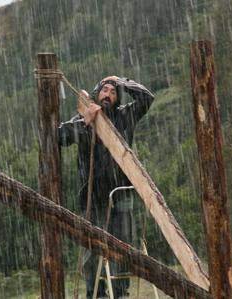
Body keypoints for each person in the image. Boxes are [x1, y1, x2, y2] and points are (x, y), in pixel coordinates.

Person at [59, 76, 154, 298]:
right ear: (96, 94)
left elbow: (147, 98)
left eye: (113, 92)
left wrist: (120, 80)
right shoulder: (83, 119)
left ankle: (120, 294)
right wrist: (86, 121)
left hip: (121, 195)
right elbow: (58, 136)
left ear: (117, 98)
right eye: (105, 90)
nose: (108, 94)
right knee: (93, 251)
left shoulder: (124, 116)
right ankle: (96, 294)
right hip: (93, 197)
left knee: (123, 248)